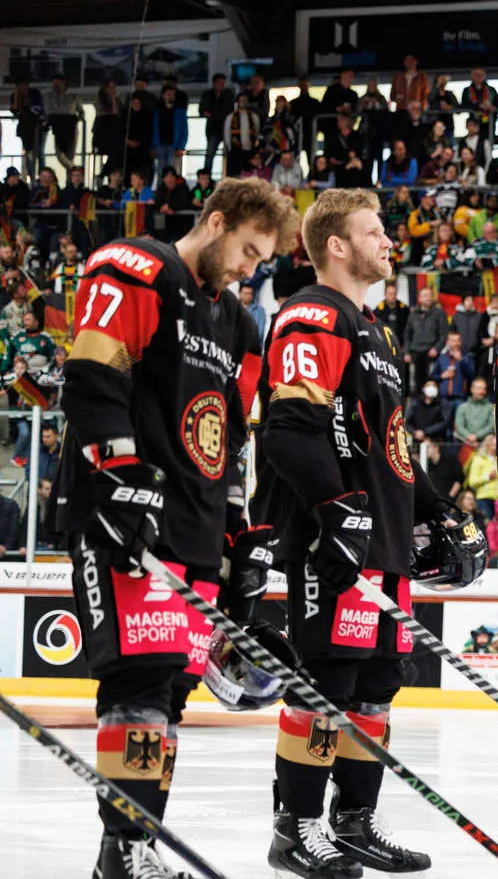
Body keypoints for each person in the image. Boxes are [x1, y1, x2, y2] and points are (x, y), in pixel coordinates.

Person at [59, 178, 293, 879]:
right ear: (216, 221)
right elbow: (92, 373)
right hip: (125, 517)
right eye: (248, 249)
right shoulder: (137, 268)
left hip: (191, 535)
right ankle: (125, 848)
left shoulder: (242, 327)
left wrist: (237, 535)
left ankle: (131, 849)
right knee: (137, 681)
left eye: (263, 258)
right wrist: (119, 470)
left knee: (168, 695)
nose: (253, 268)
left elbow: (230, 441)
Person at [254, 188, 455, 876]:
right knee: (325, 685)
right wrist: (337, 510)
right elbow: (288, 431)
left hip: (386, 543)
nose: (389, 242)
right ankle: (296, 830)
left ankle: (354, 822)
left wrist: (436, 511)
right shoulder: (314, 314)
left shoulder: (376, 331)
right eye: (375, 232)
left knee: (376, 687)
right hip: (335, 542)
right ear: (337, 246)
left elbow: (391, 445)